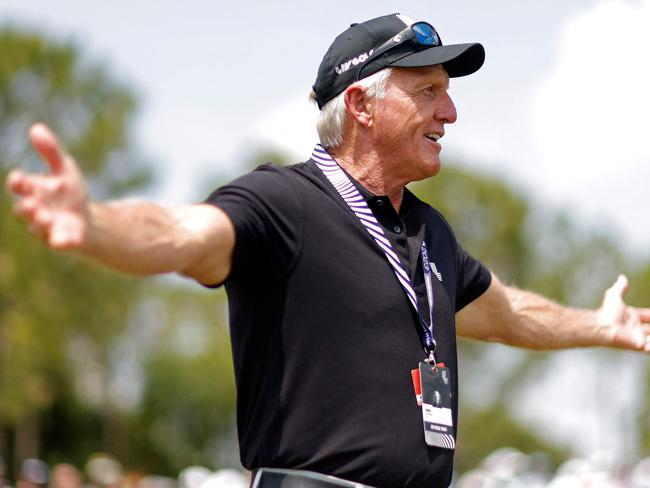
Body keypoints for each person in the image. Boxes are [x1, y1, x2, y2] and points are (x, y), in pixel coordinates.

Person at [5, 12, 650, 488]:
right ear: (363, 104)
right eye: (428, 90)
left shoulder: (433, 236)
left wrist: (600, 325)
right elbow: (183, 235)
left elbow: (508, 315)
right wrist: (93, 223)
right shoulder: (285, 204)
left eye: (447, 93)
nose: (450, 111)